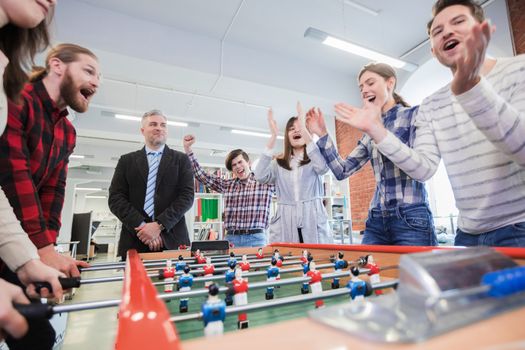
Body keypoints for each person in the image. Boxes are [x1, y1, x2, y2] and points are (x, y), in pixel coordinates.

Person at [335, 0, 525, 247]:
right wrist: (375, 130)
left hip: (518, 227)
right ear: (434, 51)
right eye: (438, 31)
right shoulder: (433, 103)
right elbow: (424, 169)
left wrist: (471, 88)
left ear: (481, 28)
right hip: (467, 235)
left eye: (458, 22)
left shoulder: (519, 69)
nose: (447, 32)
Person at [307, 62, 437, 246]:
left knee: (413, 275)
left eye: (370, 83)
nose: (364, 90)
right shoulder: (370, 132)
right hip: (377, 220)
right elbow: (341, 171)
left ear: (390, 83)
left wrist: (376, 130)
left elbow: (422, 169)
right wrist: (322, 134)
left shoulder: (413, 115)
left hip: (411, 218)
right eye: (361, 87)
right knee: (369, 274)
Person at [109, 109, 194, 258]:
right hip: (135, 239)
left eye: (163, 125)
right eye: (153, 124)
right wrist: (143, 227)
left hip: (173, 240)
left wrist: (158, 226)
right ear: (143, 130)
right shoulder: (126, 161)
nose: (159, 128)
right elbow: (115, 198)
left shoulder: (181, 160)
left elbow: (187, 197)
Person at [254, 104, 332, 244]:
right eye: (292, 129)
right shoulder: (278, 163)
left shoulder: (314, 158)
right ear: (287, 136)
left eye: (300, 127)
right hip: (285, 220)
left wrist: (305, 131)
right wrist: (273, 137)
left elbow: (323, 168)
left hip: (312, 218)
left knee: (317, 261)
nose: (296, 130)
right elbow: (259, 175)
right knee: (288, 260)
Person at [183, 134, 274, 247]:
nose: (237, 166)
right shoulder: (227, 185)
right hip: (232, 240)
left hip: (256, 239)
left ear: (248, 163)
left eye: (240, 162)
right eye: (234, 165)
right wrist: (188, 149)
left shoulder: (265, 183)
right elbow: (201, 175)